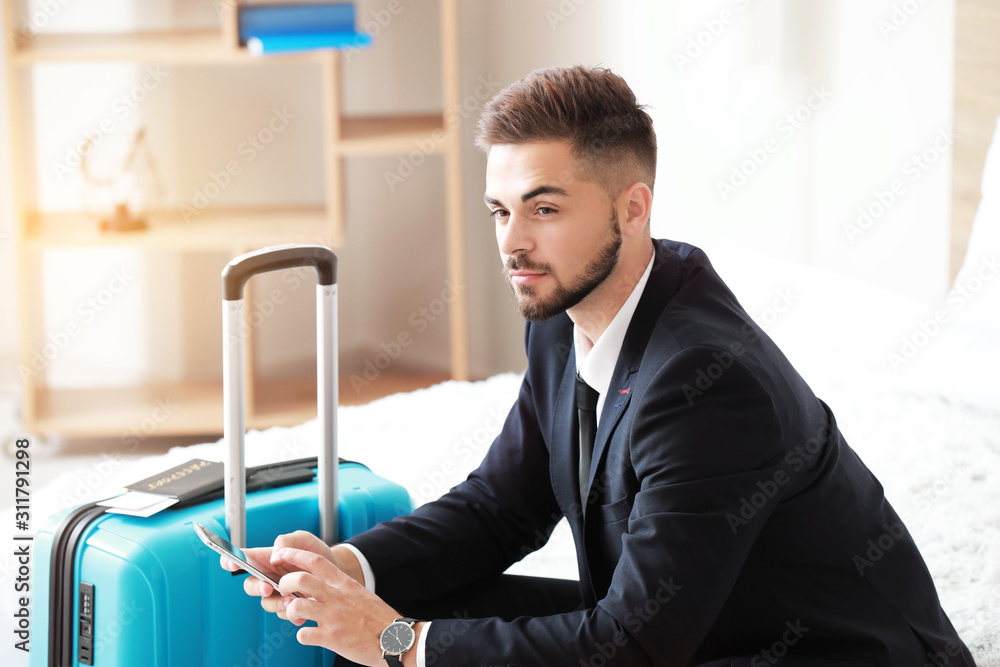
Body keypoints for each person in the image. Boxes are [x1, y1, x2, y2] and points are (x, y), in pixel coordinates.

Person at [221, 65, 976, 667]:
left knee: (412, 644)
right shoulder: (564, 309)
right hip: (684, 628)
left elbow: (636, 645)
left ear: (633, 208)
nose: (513, 242)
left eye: (544, 209)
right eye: (499, 210)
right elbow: (500, 506)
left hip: (822, 650)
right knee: (431, 619)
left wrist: (397, 642)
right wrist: (352, 568)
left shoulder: (708, 383)